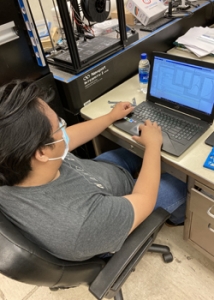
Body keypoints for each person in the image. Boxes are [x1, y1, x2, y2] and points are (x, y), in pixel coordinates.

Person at [0, 80, 187, 261]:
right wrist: (153, 145)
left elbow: (66, 139)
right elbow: (144, 200)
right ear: (41, 153)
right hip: (114, 214)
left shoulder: (15, 158)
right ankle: (177, 218)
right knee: (182, 180)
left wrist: (110, 117)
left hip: (99, 175)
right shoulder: (81, 224)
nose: (63, 130)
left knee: (137, 149)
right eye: (59, 126)